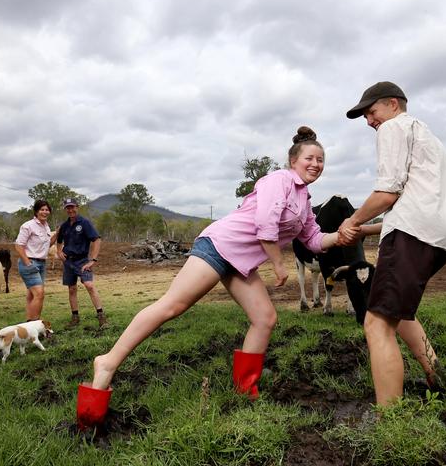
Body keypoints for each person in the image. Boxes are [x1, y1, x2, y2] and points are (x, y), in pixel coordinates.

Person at [76, 126, 351, 429]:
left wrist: (342, 235)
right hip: (219, 246)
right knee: (172, 306)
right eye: (310, 158)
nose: (316, 164)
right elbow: (265, 222)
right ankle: (108, 361)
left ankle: (245, 390)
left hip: (240, 263)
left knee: (265, 318)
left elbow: (312, 239)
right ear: (294, 160)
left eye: (321, 160)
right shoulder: (280, 180)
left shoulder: (304, 199)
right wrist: (278, 264)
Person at [340, 81, 446, 406]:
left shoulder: (393, 128)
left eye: (371, 112)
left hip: (413, 232)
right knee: (397, 310)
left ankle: (390, 425)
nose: (369, 122)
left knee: (376, 322)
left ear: (393, 104)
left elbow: (387, 193)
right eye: (365, 117)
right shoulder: (426, 135)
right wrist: (367, 232)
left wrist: (352, 221)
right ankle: (437, 374)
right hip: (440, 234)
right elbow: (411, 200)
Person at [56, 198, 107, 329]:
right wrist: (59, 251)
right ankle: (75, 318)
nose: (70, 210)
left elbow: (96, 240)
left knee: (89, 285)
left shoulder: (84, 223)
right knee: (72, 289)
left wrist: (93, 260)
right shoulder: (64, 226)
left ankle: (102, 318)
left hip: (83, 260)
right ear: (65, 209)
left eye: (72, 207)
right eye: (68, 207)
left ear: (77, 207)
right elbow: (59, 240)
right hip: (68, 262)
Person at [15, 200, 57, 321]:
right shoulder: (28, 226)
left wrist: (57, 233)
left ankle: (29, 322)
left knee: (32, 294)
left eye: (47, 210)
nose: (45, 212)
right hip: (29, 262)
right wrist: (27, 263)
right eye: (42, 209)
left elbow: (48, 245)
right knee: (39, 294)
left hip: (42, 263)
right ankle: (35, 323)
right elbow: (18, 246)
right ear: (36, 211)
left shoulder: (46, 227)